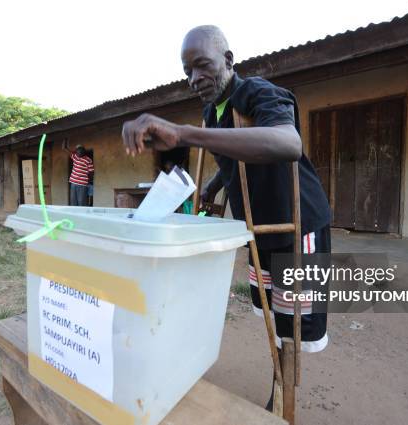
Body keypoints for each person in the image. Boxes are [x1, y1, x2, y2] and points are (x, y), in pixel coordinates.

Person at [121, 25, 331, 408]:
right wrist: (214, 186)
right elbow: (232, 154)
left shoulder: (258, 93)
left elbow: (288, 142)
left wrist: (184, 134)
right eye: (187, 71)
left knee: (291, 322)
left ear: (229, 60)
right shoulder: (212, 111)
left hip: (296, 225)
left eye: (202, 65)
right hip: (260, 228)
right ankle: (279, 387)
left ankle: (282, 399)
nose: (194, 79)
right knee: (272, 313)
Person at [63, 142, 94, 206]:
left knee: (81, 202)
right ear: (76, 152)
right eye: (77, 151)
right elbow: (66, 150)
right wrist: (65, 144)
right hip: (73, 183)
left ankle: (82, 215)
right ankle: (74, 215)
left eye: (80, 150)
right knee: (73, 201)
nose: (79, 152)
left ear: (84, 151)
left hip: (82, 184)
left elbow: (91, 172)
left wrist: (88, 181)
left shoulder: (88, 160)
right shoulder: (75, 157)